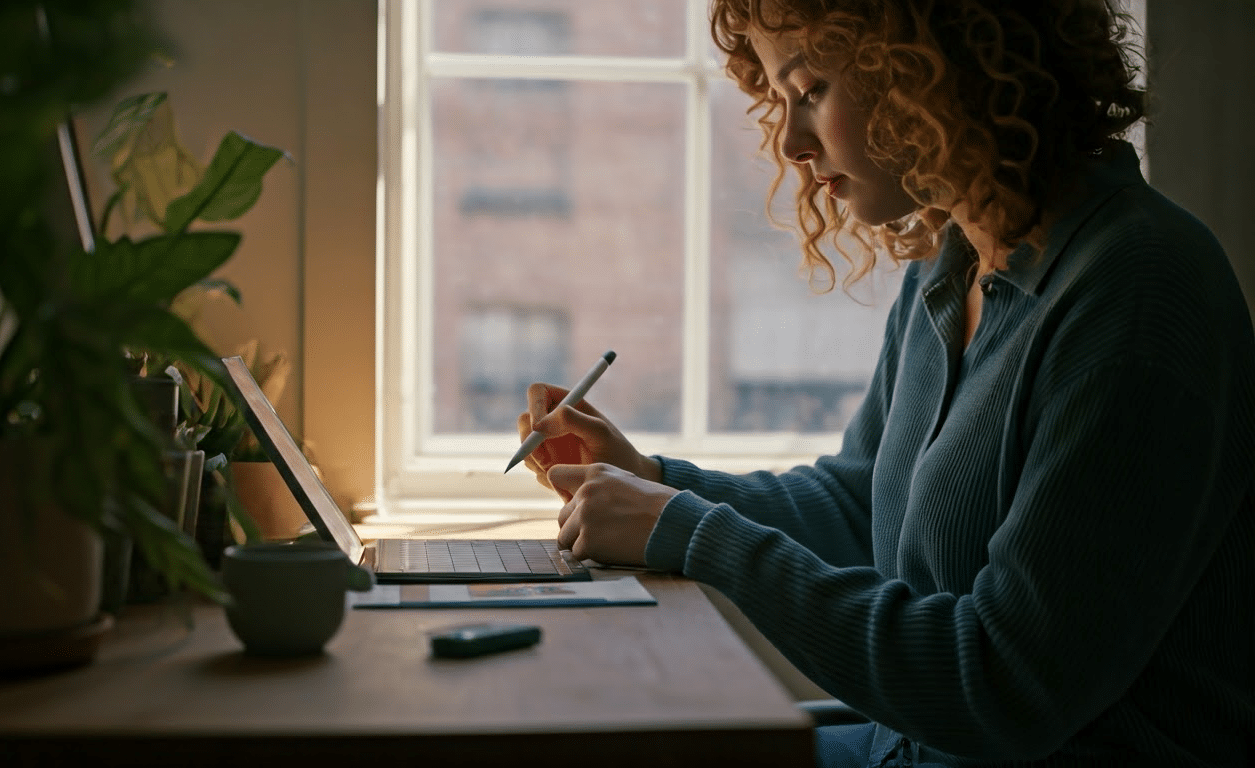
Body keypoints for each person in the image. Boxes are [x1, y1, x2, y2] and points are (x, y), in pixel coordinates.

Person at [515, 1, 1255, 765]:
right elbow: (862, 503)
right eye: (780, 101)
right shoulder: (954, 262)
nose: (792, 144)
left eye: (810, 91)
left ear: (930, 66)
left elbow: (1004, 687)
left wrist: (692, 533)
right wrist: (658, 484)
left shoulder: (1138, 295)